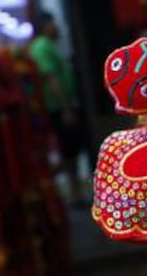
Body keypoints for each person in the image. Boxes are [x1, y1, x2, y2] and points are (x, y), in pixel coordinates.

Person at [29, 12, 82, 205]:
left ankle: (75, 190)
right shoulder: (41, 47)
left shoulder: (48, 45)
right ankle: (73, 193)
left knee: (71, 151)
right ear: (45, 25)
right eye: (53, 23)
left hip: (63, 106)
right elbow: (51, 79)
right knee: (67, 152)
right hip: (58, 108)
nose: (56, 27)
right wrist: (66, 108)